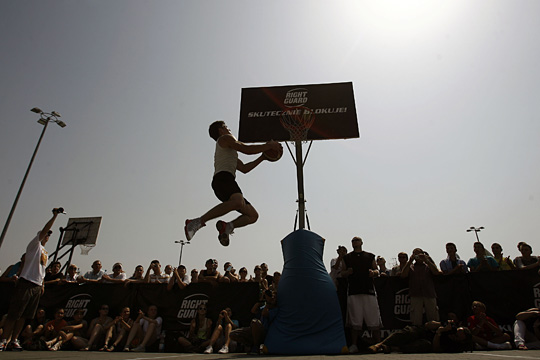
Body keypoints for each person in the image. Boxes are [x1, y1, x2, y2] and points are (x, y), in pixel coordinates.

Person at [184, 120, 281, 246]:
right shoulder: (225, 138)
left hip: (226, 181)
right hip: (222, 179)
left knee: (252, 216)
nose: (229, 130)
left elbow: (245, 168)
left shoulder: (229, 151)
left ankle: (228, 227)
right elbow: (245, 149)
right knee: (238, 201)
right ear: (221, 130)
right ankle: (195, 223)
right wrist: (268, 146)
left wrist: (263, 157)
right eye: (227, 127)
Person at [0, 207, 62, 352]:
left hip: (36, 286)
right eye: (46, 234)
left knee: (25, 315)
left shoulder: (45, 252)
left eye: (49, 235)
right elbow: (45, 229)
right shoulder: (34, 245)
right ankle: (4, 340)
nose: (47, 236)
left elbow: (42, 271)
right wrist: (54, 217)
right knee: (15, 313)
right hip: (26, 283)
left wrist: (41, 285)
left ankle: (14, 340)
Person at [341, 236, 382, 353]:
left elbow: (377, 270)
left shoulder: (370, 256)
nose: (355, 242)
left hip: (369, 291)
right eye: (353, 241)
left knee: (374, 320)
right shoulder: (347, 257)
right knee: (355, 320)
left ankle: (378, 344)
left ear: (361, 242)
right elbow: (342, 272)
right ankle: (354, 345)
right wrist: (347, 272)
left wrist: (373, 272)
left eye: (357, 240)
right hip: (354, 292)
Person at [368, 320, 473, 353]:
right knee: (410, 332)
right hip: (422, 331)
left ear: (461, 340)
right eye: (456, 332)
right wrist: (441, 325)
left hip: (429, 342)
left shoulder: (454, 346)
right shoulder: (449, 328)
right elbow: (427, 325)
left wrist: (438, 333)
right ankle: (379, 344)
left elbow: (436, 349)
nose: (454, 335)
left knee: (424, 345)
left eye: (458, 336)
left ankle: (391, 348)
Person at [401, 248, 441, 326]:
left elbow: (436, 272)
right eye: (415, 254)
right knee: (416, 319)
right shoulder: (411, 267)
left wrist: (426, 260)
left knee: (433, 318)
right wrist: (410, 261)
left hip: (429, 294)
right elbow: (403, 275)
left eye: (419, 254)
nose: (418, 256)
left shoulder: (428, 266)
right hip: (416, 295)